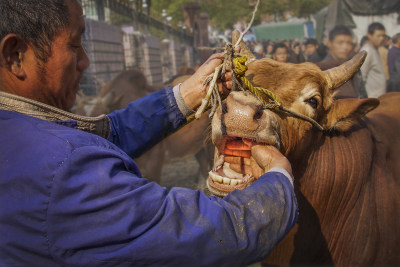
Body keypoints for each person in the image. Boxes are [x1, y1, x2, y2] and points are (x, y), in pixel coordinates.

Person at [0, 0, 298, 266]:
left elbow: (106, 134)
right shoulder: (62, 171)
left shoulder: (19, 132)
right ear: (15, 55)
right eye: (75, 45)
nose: (85, 62)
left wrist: (184, 97)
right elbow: (206, 234)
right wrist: (279, 181)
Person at [360, 22, 387, 98]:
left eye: (383, 36)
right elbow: (361, 78)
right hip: (372, 98)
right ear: (369, 35)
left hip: (379, 98)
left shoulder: (375, 49)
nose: (381, 38)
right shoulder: (366, 52)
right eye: (378, 36)